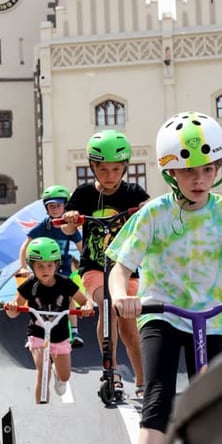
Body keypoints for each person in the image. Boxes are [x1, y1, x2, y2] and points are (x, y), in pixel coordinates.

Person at [107, 111, 222, 444]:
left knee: (214, 399)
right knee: (158, 396)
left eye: (209, 169)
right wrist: (121, 297)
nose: (200, 179)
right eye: (189, 171)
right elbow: (120, 269)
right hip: (161, 312)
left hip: (212, 317)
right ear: (171, 174)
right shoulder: (154, 214)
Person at [64, 129, 148, 397]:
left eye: (115, 169)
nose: (109, 176)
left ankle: (143, 381)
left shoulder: (133, 192)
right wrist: (72, 219)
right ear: (92, 167)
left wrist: (147, 209)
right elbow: (67, 229)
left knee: (129, 326)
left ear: (124, 168)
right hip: (94, 268)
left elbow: (151, 215)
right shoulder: (84, 194)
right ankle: (110, 370)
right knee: (108, 305)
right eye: (103, 169)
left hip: (126, 269)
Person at [5, 237, 93, 403]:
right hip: (38, 334)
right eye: (39, 266)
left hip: (60, 335)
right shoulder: (29, 285)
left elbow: (84, 301)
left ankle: (59, 376)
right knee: (42, 370)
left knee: (65, 375)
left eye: (49, 265)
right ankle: (42, 411)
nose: (45, 270)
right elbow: (14, 311)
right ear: (32, 266)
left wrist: (86, 307)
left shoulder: (65, 283)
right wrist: (12, 308)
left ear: (56, 265)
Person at [19, 184, 85, 348]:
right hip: (43, 267)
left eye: (58, 205)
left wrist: (87, 264)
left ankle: (74, 332)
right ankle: (35, 332)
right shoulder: (45, 224)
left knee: (69, 295)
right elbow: (25, 245)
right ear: (46, 208)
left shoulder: (68, 227)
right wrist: (23, 267)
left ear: (65, 206)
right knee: (34, 295)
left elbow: (81, 246)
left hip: (62, 268)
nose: (55, 209)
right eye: (51, 206)